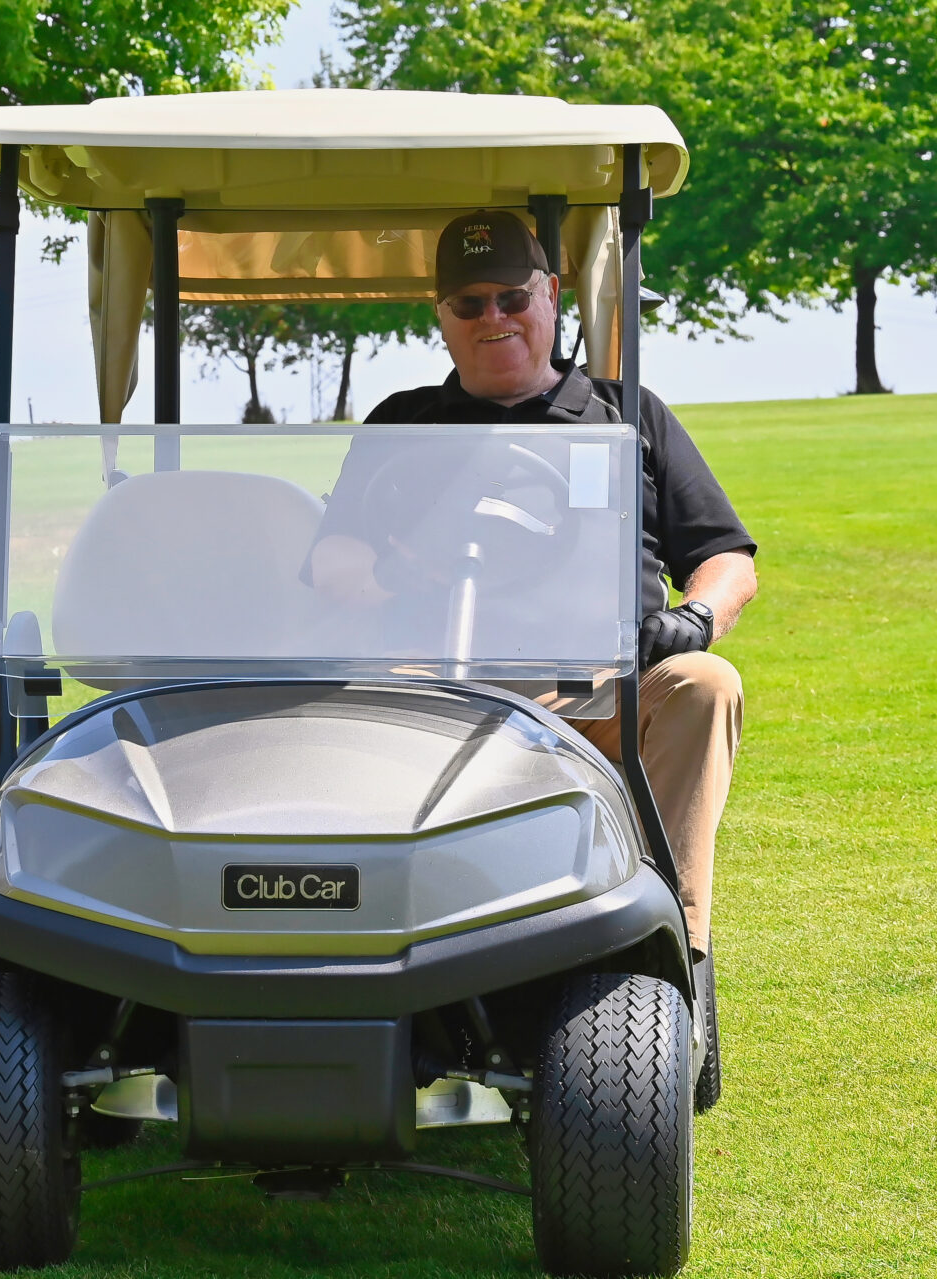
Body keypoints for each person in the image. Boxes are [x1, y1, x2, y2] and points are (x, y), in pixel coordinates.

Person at [307, 209, 757, 961]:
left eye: (512, 298)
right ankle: (363, 937)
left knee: (705, 684)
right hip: (431, 685)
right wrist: (396, 574)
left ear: (549, 295)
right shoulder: (403, 424)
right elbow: (333, 567)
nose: (494, 318)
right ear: (442, 316)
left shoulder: (626, 414)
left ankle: (666, 937)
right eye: (469, 304)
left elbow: (727, 558)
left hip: (595, 687)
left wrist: (698, 615)